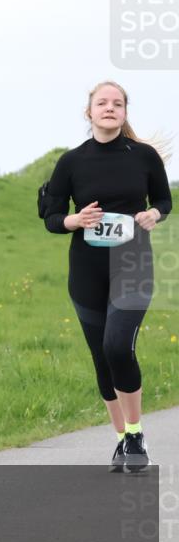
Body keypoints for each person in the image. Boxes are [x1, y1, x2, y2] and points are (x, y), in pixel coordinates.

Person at [43, 80, 172, 473]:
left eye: (118, 103)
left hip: (133, 266)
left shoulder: (144, 157)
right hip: (86, 271)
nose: (110, 108)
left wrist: (154, 215)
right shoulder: (71, 162)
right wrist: (73, 220)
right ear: (90, 112)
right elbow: (50, 216)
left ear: (125, 112)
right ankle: (121, 440)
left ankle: (135, 434)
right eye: (103, 103)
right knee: (102, 358)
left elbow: (163, 200)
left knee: (118, 346)